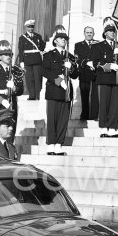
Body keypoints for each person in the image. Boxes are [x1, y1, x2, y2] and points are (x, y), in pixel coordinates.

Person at [42, 26, 79, 155]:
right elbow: (45, 71)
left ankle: (59, 144)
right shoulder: (48, 55)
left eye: (65, 39)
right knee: (52, 117)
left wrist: (72, 68)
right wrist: (59, 81)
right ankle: (51, 143)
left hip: (66, 91)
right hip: (54, 89)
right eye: (61, 38)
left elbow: (75, 75)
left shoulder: (71, 56)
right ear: (55, 41)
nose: (64, 40)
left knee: (63, 118)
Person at [95, 18, 118, 138]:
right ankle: (104, 127)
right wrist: (108, 66)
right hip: (104, 78)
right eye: (110, 31)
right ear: (105, 33)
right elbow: (95, 63)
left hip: (116, 78)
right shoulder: (98, 46)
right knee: (104, 103)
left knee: (115, 104)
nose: (112, 33)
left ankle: (113, 128)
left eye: (114, 31)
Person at [0, 40, 24, 136]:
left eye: (10, 54)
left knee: (9, 136)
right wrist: (1, 100)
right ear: (0, 56)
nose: (9, 56)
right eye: (6, 54)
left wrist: (14, 88)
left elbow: (21, 90)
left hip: (11, 106)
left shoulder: (16, 71)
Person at [74, 26, 99, 121]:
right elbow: (77, 58)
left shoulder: (98, 44)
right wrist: (86, 62)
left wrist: (94, 64)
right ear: (84, 33)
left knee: (95, 95)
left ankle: (94, 115)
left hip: (95, 72)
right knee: (84, 95)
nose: (89, 34)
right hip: (84, 72)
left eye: (91, 32)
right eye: (87, 32)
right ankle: (84, 115)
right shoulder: (78, 45)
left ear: (93, 34)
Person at [18, 19, 45, 100]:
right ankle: (32, 96)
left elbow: (42, 47)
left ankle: (38, 95)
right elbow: (20, 50)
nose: (31, 28)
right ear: (26, 27)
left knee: (38, 79)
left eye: (32, 27)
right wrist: (21, 61)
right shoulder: (22, 38)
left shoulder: (38, 36)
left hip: (37, 60)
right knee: (29, 79)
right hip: (27, 61)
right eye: (29, 27)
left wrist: (42, 47)